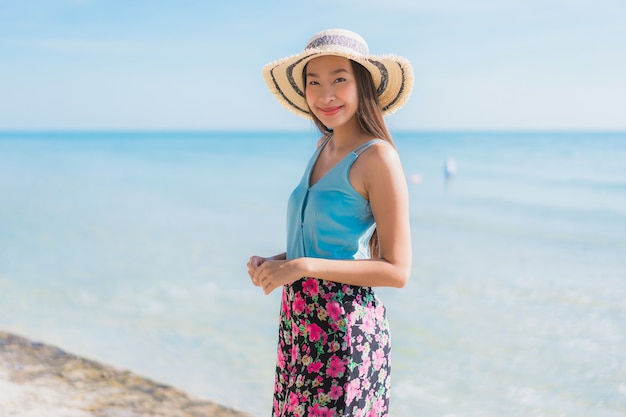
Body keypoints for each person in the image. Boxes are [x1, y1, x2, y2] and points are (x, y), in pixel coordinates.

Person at [247, 28, 414, 417]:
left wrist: (301, 267)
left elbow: (397, 270)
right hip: (299, 328)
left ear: (362, 85)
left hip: (345, 335)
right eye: (314, 83)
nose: (326, 95)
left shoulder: (378, 158)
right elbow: (326, 245)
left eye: (339, 79)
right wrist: (278, 264)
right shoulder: (325, 147)